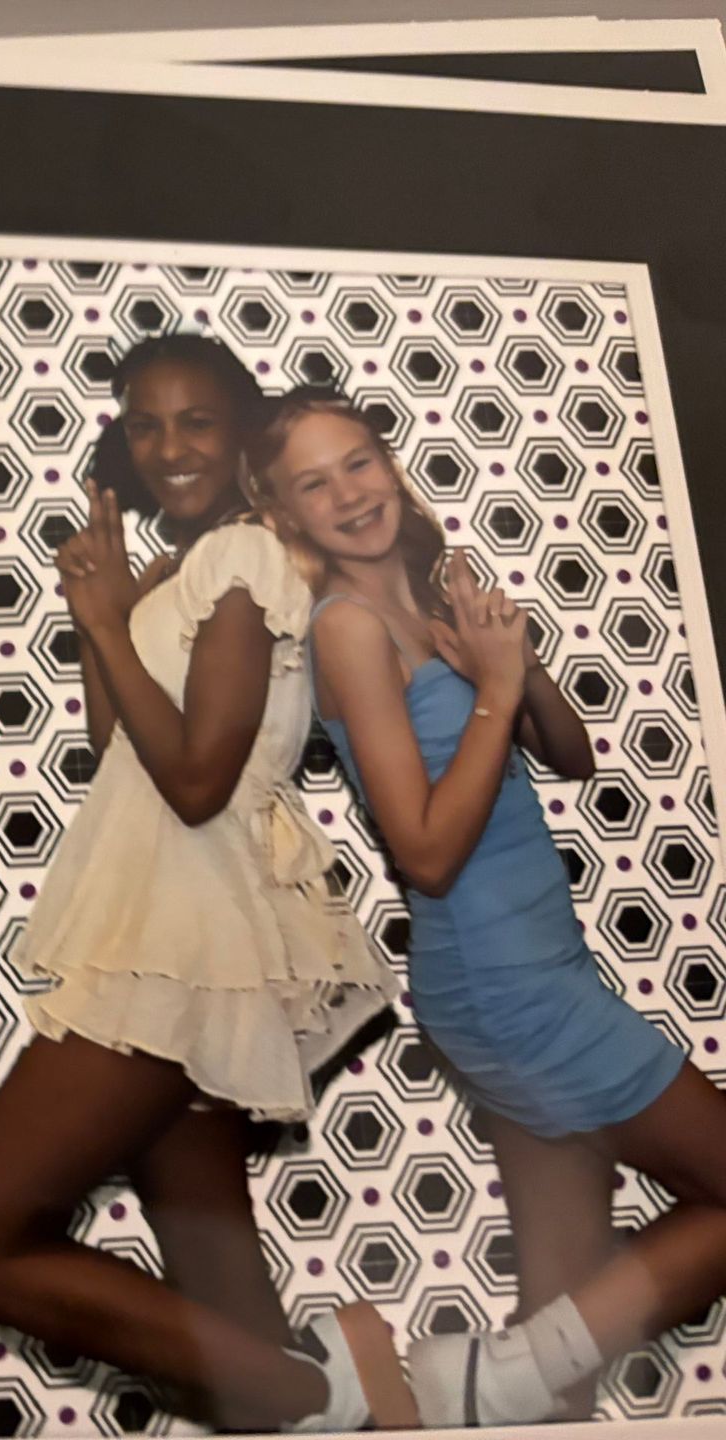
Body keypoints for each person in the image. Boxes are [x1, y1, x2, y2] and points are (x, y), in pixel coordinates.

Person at [0, 336, 405, 1432]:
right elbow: (118, 751)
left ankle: (323, 1385)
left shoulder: (243, 558)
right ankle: (302, 1397)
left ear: (245, 438)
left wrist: (103, 621)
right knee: (222, 1293)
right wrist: (113, 615)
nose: (169, 445)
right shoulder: (187, 569)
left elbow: (196, 779)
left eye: (197, 421)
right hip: (163, 916)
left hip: (190, 930)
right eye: (146, 424)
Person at [253, 386, 726, 1426]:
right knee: (560, 1336)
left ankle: (512, 1384)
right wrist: (497, 694)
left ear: (389, 463)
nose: (349, 493)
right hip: (501, 981)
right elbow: (423, 850)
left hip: (534, 969)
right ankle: (485, 1377)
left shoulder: (438, 586)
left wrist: (511, 664)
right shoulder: (343, 630)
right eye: (314, 484)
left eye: (359, 462)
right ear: (285, 516)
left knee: (564, 1351)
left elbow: (571, 755)